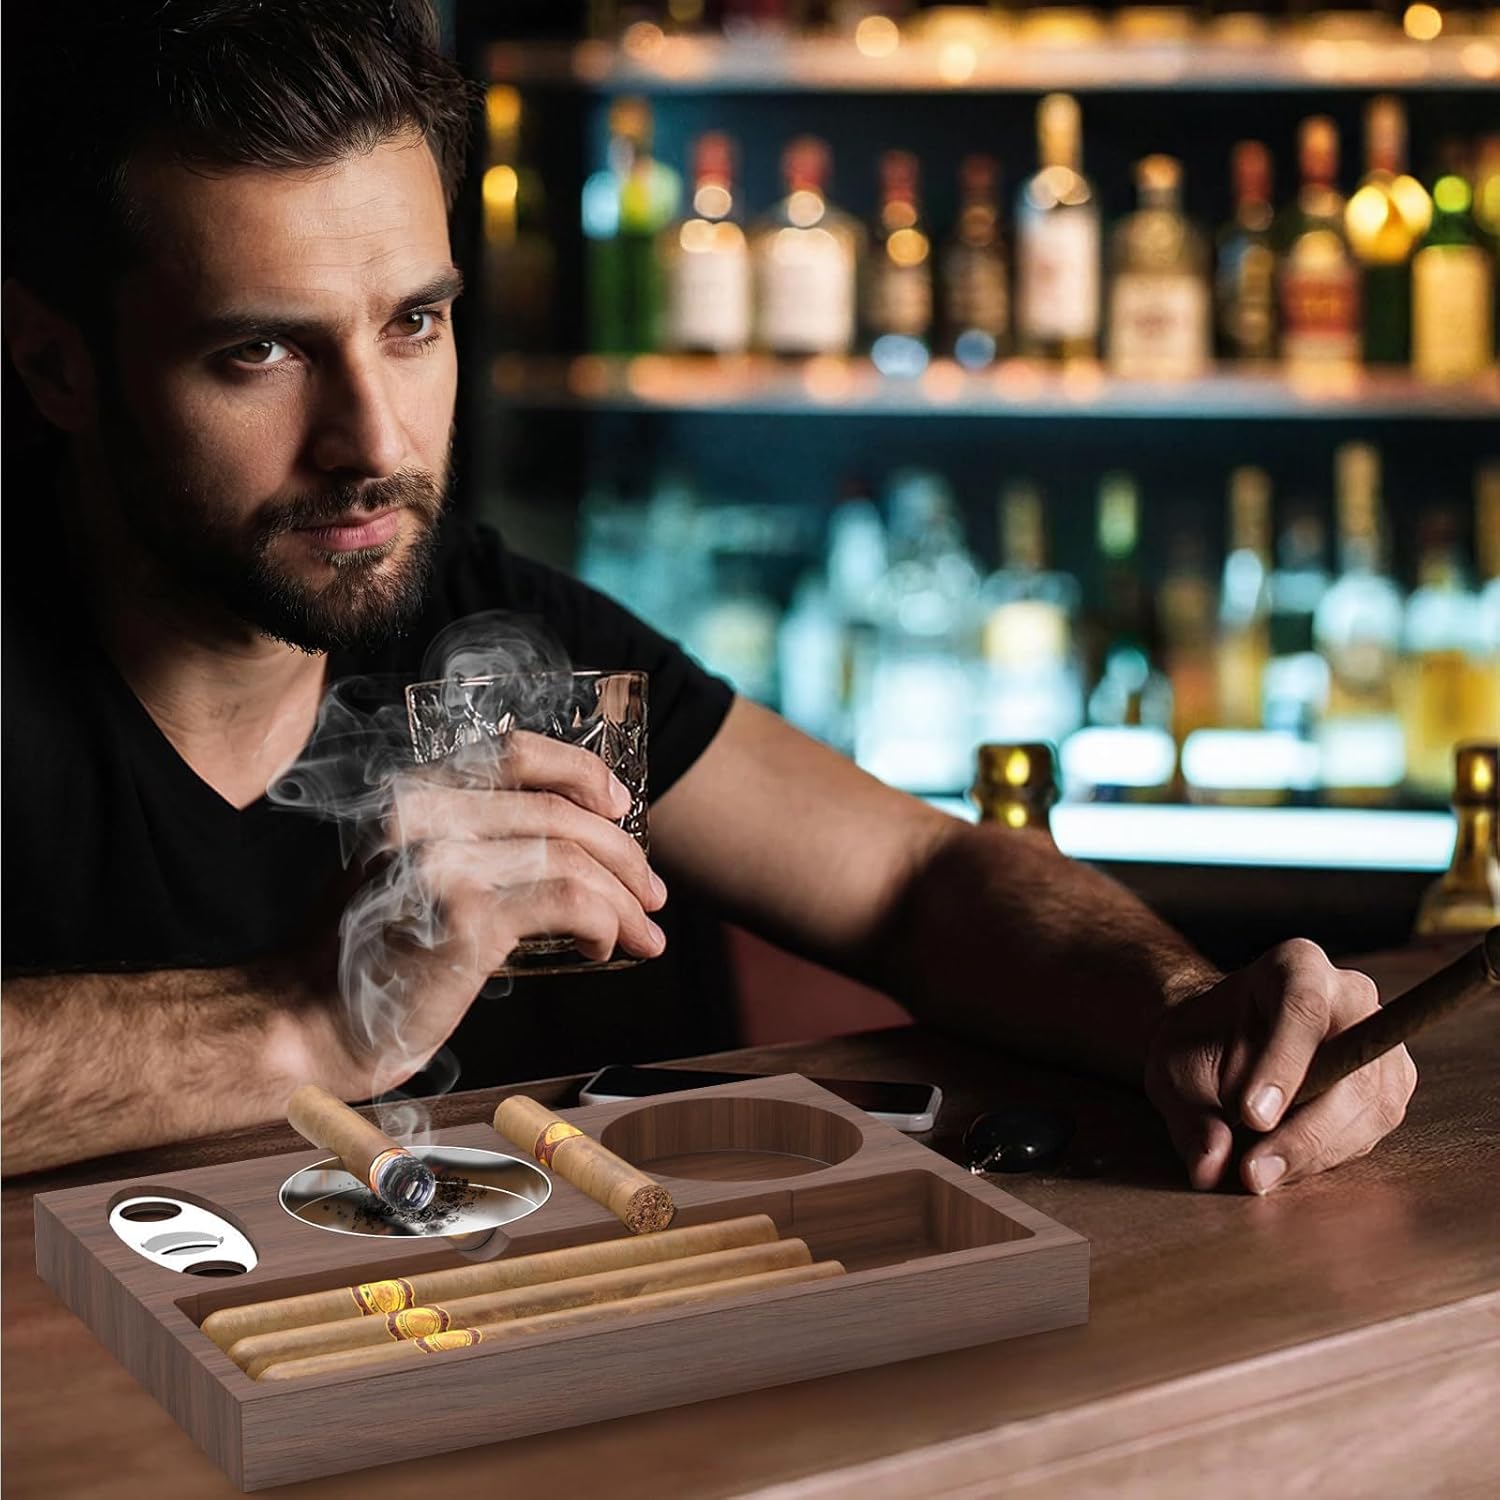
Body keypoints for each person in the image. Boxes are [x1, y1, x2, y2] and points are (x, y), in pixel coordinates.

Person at [1, 0, 1413, 1188]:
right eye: (259, 353)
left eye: (414, 324)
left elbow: (916, 882)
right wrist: (307, 1024)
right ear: (57, 365)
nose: (373, 441)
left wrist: (1179, 1007)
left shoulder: (504, 635)